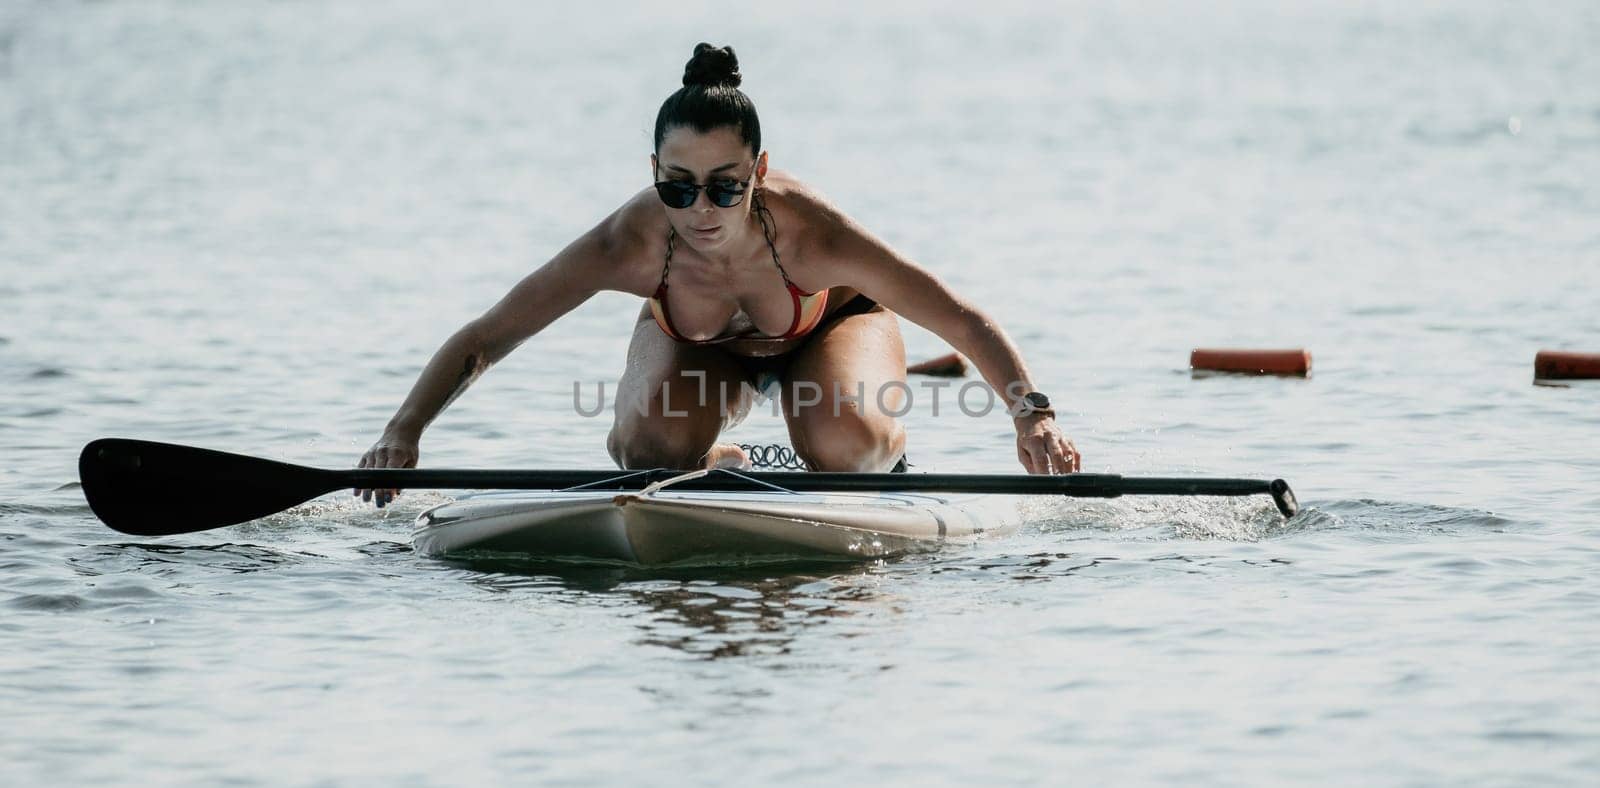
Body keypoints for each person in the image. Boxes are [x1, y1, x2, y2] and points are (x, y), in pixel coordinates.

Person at [355, 43, 1079, 507]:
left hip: (826, 330)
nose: (700, 209)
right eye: (679, 187)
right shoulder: (626, 243)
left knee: (840, 443)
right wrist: (403, 431)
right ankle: (714, 456)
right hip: (704, 349)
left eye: (725, 187)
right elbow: (490, 337)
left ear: (758, 173)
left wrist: (1032, 416)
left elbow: (962, 320)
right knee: (645, 450)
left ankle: (877, 454)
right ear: (655, 175)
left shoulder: (814, 235)